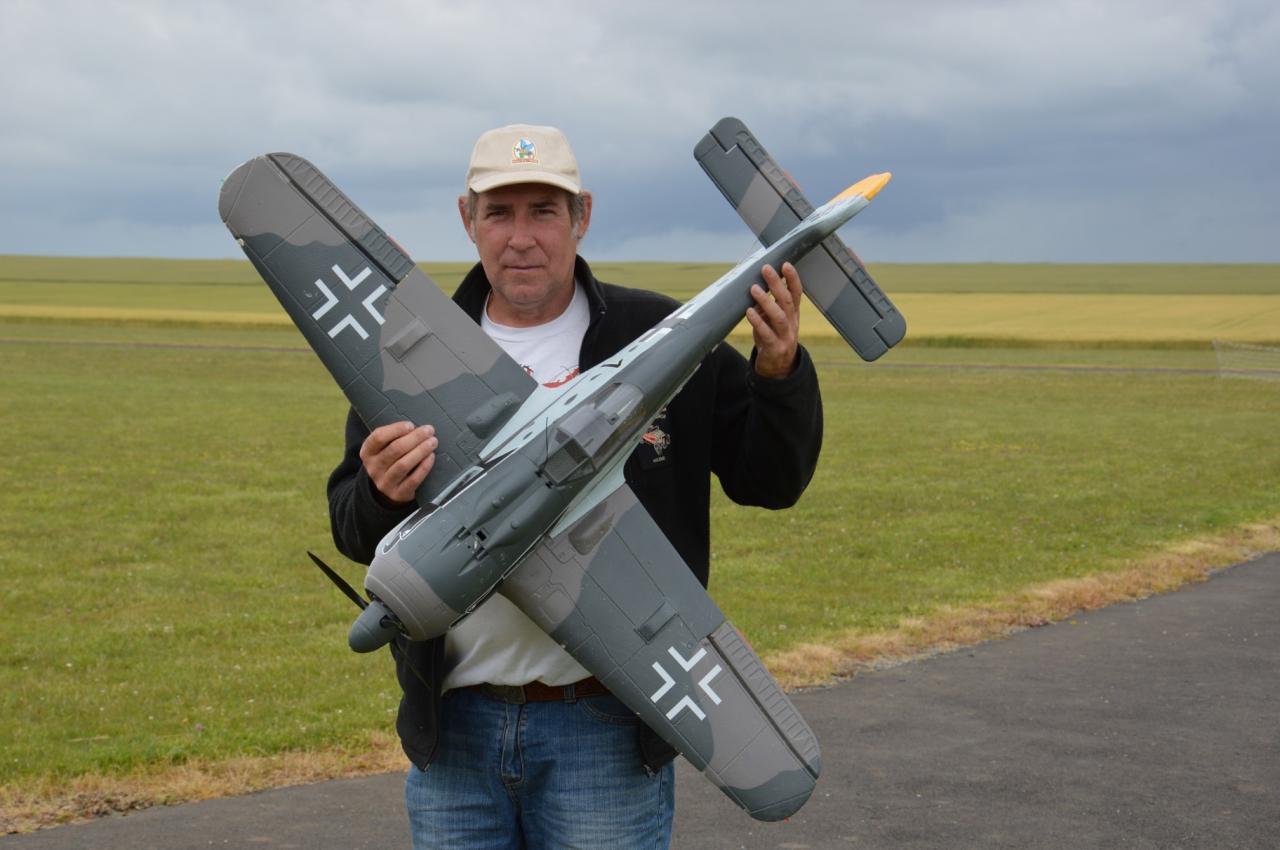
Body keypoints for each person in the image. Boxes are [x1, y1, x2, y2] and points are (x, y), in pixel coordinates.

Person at [327, 124, 824, 849]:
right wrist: (380, 491)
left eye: (544, 212)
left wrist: (779, 375)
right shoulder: (410, 348)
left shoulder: (655, 328)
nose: (521, 238)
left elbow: (770, 480)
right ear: (468, 220)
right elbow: (349, 523)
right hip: (455, 733)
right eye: (499, 213)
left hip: (607, 728)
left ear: (581, 216)